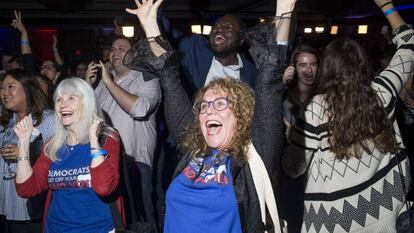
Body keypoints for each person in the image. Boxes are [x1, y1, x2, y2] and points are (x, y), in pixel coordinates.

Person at [125, 0, 295, 231]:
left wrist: (284, 9)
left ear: (241, 115)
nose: (209, 110)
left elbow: (270, 74)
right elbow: (169, 77)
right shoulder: (192, 150)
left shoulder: (255, 158)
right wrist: (149, 24)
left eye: (220, 103)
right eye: (204, 106)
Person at [282, 0, 414, 232]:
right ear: (363, 65)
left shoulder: (315, 109)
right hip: (385, 218)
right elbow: (409, 43)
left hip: (332, 223)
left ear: (326, 70)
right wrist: (386, 6)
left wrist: (294, 136)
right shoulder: (384, 90)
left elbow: (293, 168)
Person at [14, 78, 123, 233]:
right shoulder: (53, 145)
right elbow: (27, 189)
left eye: (71, 98)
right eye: (59, 99)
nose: (63, 104)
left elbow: (105, 188)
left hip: (99, 229)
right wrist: (24, 143)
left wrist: (93, 140)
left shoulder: (107, 138)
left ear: (87, 104)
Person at [86, 34, 162, 231]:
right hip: (104, 163)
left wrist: (109, 82)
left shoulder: (146, 78)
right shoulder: (101, 84)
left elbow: (139, 109)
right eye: (112, 49)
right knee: (113, 222)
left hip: (134, 162)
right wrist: (87, 85)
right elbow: (86, 119)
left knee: (140, 222)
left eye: (121, 48)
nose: (114, 52)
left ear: (133, 54)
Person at [0, 69, 54, 233]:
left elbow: (60, 160)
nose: (4, 93)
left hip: (31, 209)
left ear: (28, 89)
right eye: (2, 88)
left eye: (11, 87)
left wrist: (27, 154)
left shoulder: (49, 120)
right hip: (5, 206)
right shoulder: (5, 123)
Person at [158, 5, 257, 92]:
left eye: (228, 27)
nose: (219, 29)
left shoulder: (251, 72)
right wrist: (154, 14)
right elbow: (168, 33)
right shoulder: (196, 49)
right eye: (216, 25)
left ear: (241, 40)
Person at [282, 44, 320, 128]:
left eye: (313, 64)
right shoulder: (286, 99)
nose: (309, 70)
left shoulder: (323, 96)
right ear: (293, 68)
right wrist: (282, 84)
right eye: (303, 65)